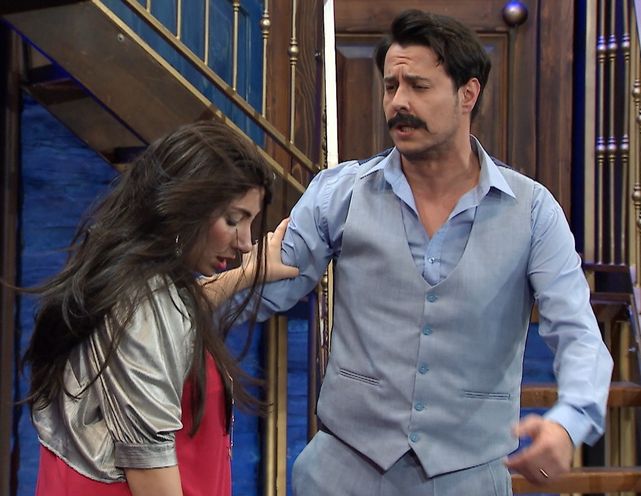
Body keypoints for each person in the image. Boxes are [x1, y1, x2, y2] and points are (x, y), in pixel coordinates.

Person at [215, 9, 614, 496]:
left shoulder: (532, 211)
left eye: (419, 87)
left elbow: (578, 333)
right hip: (342, 473)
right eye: (391, 86)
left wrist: (568, 424)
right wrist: (182, 299)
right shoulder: (339, 194)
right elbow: (258, 292)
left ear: (468, 94)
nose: (398, 103)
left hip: (468, 479)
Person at [22, 119, 298, 496]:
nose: (246, 242)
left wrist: (245, 275)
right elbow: (150, 473)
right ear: (187, 206)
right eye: (234, 219)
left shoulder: (140, 283)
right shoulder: (142, 307)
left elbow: (178, 311)